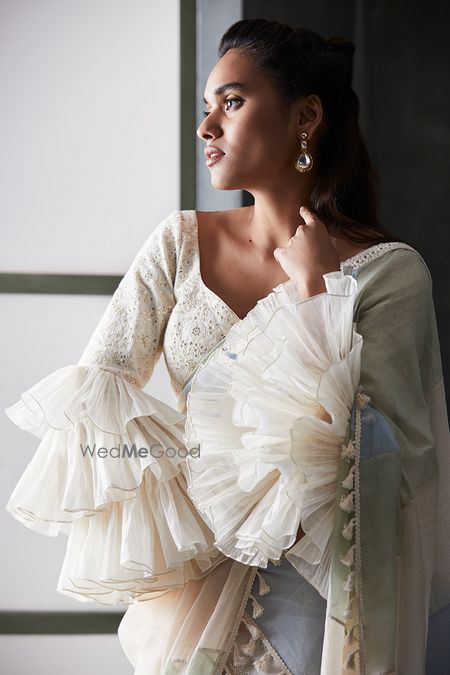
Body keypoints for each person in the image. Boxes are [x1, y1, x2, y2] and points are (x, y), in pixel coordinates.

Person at [4, 17, 450, 675]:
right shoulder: (180, 244)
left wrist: (318, 292)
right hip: (192, 604)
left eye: (232, 102)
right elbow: (97, 401)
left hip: (313, 611)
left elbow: (388, 465)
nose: (206, 126)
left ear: (305, 117)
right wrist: (188, 491)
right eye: (206, 105)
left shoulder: (390, 274)